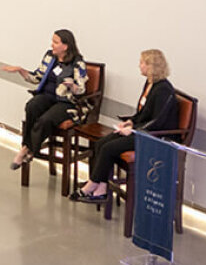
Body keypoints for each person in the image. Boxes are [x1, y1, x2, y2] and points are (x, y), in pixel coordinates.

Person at [72, 49, 179, 203]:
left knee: (109, 148)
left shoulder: (163, 89)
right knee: (102, 143)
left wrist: (134, 130)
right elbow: (143, 113)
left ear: (151, 66)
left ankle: (91, 185)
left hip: (154, 137)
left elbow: (158, 121)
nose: (139, 65)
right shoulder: (150, 84)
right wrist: (131, 122)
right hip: (142, 130)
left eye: (142, 63)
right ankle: (101, 189)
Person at [1, 29, 88, 170]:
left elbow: (81, 89)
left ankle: (26, 150)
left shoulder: (78, 63)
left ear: (65, 46)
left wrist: (73, 86)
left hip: (66, 102)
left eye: (55, 42)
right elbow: (37, 78)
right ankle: (29, 149)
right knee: (32, 106)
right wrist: (20, 70)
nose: (51, 44)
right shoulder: (50, 57)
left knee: (45, 120)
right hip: (47, 96)